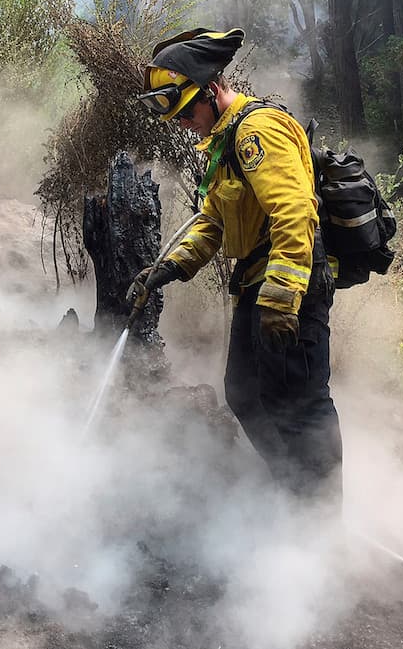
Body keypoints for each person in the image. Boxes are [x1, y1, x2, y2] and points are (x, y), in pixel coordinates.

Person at [133, 28, 342, 504]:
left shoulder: (255, 133)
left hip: (292, 286)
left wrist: (283, 299)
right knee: (244, 394)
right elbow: (212, 220)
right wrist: (168, 268)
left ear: (211, 89)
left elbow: (293, 212)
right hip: (256, 284)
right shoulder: (224, 142)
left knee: (303, 404)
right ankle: (292, 488)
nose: (183, 123)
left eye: (186, 110)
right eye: (175, 116)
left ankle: (323, 523)